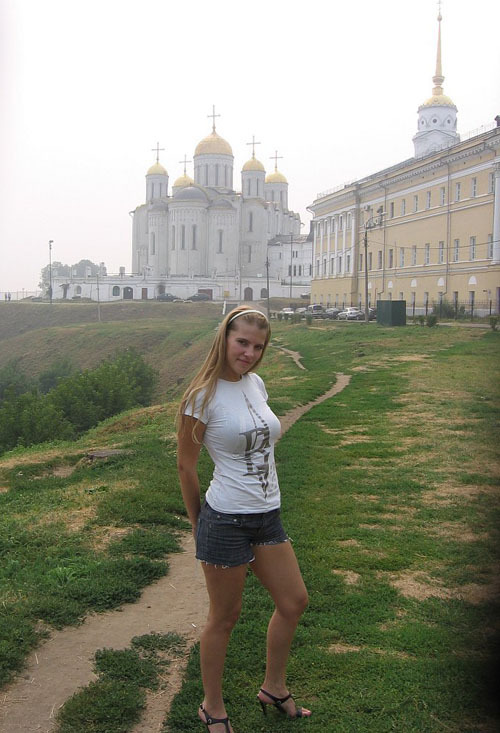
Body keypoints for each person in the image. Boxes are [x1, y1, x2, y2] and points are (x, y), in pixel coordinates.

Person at [176, 305, 311, 732]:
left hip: (267, 516)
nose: (249, 353)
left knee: (294, 601)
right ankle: (212, 706)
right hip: (226, 520)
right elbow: (186, 466)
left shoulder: (256, 384)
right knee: (225, 617)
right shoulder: (201, 396)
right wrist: (198, 524)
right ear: (224, 339)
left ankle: (274, 686)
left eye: (258, 346)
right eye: (242, 342)